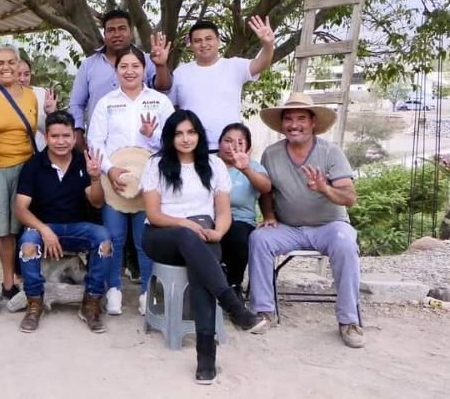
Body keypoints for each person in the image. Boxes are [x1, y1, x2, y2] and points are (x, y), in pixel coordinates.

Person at [141, 110, 266, 385]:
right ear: (170, 137)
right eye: (179, 133)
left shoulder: (214, 165)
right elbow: (153, 213)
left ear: (199, 135)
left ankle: (206, 357)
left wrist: (218, 232)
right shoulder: (156, 164)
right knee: (188, 238)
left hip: (204, 233)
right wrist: (184, 224)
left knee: (200, 268)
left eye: (191, 132)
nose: (185, 139)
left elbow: (223, 212)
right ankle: (233, 306)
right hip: (161, 235)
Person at [249, 93, 364, 348]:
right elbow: (267, 191)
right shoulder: (271, 153)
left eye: (301, 118)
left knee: (345, 242)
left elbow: (349, 198)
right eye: (288, 119)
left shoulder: (331, 152)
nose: (294, 124)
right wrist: (268, 215)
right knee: (258, 238)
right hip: (288, 227)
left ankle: (349, 321)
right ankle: (264, 311)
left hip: (329, 227)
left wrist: (325, 189)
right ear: (282, 124)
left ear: (313, 122)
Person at [87, 46, 174, 315]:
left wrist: (151, 135)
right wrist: (110, 170)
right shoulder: (106, 102)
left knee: (144, 239)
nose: (129, 71)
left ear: (144, 69)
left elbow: (172, 142)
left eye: (135, 66)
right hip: (114, 181)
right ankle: (113, 289)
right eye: (124, 66)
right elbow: (94, 140)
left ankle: (147, 292)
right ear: (116, 71)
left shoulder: (160, 102)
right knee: (113, 236)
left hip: (150, 181)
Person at [14, 111, 112, 333]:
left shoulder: (82, 161)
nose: (61, 142)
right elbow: (20, 208)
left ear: (74, 137)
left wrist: (96, 178)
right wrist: (44, 230)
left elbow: (97, 203)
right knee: (28, 242)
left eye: (66, 136)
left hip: (77, 227)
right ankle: (35, 304)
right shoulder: (34, 165)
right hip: (45, 226)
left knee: (104, 239)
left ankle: (91, 303)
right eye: (55, 136)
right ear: (46, 137)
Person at [0, 44, 39, 315]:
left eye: (11, 62)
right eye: (0, 63)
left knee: (12, 231)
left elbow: (32, 131)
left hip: (24, 167)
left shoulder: (31, 96)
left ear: (19, 63)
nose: (6, 67)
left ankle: (8, 283)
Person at [70, 8, 172, 151]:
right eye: (111, 30)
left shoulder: (148, 60)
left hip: (147, 146)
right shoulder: (89, 65)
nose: (116, 34)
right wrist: (78, 133)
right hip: (102, 147)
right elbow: (76, 104)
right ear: (104, 34)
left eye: (122, 29)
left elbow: (164, 88)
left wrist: (160, 65)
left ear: (130, 32)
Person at [168, 17, 275, 150]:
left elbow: (261, 64)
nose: (203, 44)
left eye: (208, 39)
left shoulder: (234, 65)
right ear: (191, 45)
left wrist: (268, 44)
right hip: (192, 149)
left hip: (229, 149)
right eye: (197, 41)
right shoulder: (180, 72)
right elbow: (173, 108)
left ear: (218, 41)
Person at [216, 123, 271, 300]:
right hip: (209, 218)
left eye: (240, 142)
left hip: (240, 221)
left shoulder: (254, 167)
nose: (232, 146)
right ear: (219, 143)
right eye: (228, 140)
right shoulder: (208, 164)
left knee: (238, 235)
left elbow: (266, 188)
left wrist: (245, 169)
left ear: (248, 147)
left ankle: (233, 285)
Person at [17, 58, 58, 151]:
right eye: (18, 74)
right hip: (15, 154)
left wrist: (51, 113)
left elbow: (55, 127)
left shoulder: (42, 94)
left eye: (26, 74)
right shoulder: (3, 97)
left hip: (40, 151)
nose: (22, 79)